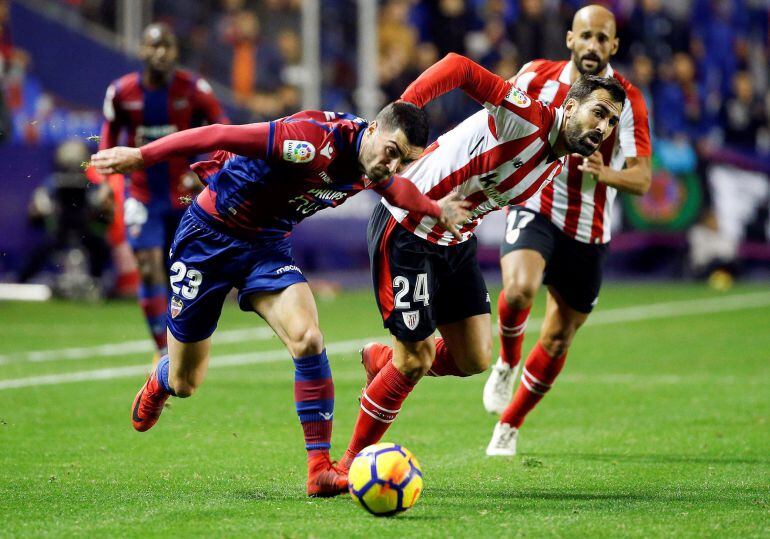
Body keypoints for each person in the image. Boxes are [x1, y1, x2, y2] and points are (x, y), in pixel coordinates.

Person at [91, 102, 470, 497]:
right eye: (392, 153)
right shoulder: (309, 141)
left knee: (308, 338)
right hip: (207, 240)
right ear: (373, 129)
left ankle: (319, 470)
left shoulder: (373, 163)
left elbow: (396, 188)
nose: (392, 166)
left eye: (404, 161)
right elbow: (217, 134)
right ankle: (162, 379)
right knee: (186, 382)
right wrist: (142, 156)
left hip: (267, 248)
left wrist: (434, 209)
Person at [336, 52, 627, 471]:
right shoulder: (525, 116)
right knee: (414, 361)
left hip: (454, 239)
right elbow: (459, 67)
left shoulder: (554, 161)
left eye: (612, 121)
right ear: (569, 106)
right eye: (598, 113)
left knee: (473, 358)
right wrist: (404, 108)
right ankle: (347, 467)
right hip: (408, 228)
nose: (603, 127)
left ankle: (383, 361)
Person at [483, 5, 652, 456]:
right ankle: (507, 361)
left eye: (603, 38)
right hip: (536, 204)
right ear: (570, 39)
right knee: (519, 288)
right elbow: (494, 120)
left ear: (614, 45)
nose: (593, 45)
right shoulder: (535, 77)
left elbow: (642, 178)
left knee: (558, 338)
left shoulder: (628, 100)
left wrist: (606, 173)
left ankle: (510, 423)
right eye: (586, 36)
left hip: (589, 230)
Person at [99, 23, 227, 357]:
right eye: (153, 46)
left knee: (182, 272)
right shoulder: (122, 92)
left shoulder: (194, 89)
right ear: (142, 50)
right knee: (147, 265)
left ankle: (181, 340)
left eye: (166, 46)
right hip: (141, 194)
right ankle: (162, 350)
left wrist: (204, 172)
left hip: (184, 197)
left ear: (175, 51)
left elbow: (223, 132)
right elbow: (109, 135)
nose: (160, 52)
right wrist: (106, 184)